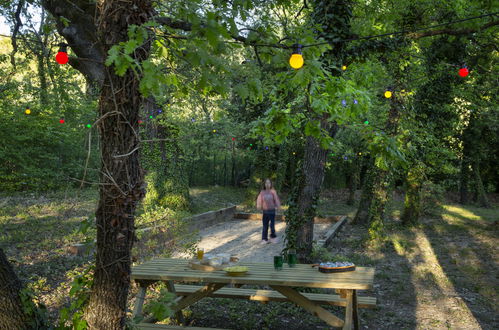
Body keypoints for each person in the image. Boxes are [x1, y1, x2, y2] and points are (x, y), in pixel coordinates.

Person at [256, 178, 281, 244]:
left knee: (272, 226)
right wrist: (258, 205)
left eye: (269, 183)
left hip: (272, 211)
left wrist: (278, 206)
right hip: (265, 211)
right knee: (265, 226)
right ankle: (264, 239)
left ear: (271, 184)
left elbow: (276, 199)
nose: (267, 184)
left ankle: (273, 237)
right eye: (266, 183)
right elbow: (259, 199)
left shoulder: (273, 192)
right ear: (264, 184)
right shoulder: (262, 192)